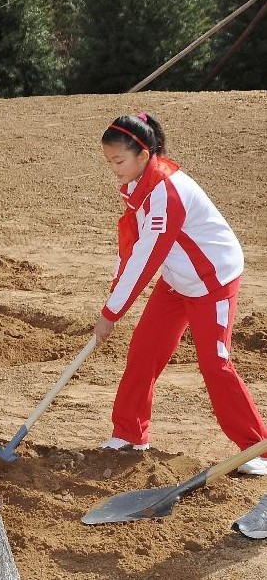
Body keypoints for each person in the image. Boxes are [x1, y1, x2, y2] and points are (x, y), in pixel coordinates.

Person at [93, 113, 267, 476]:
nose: (114, 169)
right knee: (144, 350)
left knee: (215, 363)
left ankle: (258, 449)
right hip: (177, 278)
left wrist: (111, 312)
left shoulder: (166, 192)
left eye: (119, 161)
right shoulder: (139, 187)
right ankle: (129, 433)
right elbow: (130, 247)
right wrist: (113, 297)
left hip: (212, 280)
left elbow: (146, 258)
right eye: (109, 161)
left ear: (143, 154)